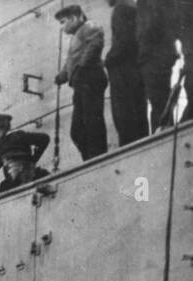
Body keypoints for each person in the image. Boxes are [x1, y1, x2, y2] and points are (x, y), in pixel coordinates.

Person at [55, 5, 109, 162]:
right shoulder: (77, 36)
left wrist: (81, 68)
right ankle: (90, 158)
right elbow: (72, 61)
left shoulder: (90, 27)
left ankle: (97, 157)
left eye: (63, 22)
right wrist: (62, 76)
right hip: (81, 82)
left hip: (90, 79)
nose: (62, 27)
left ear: (74, 17)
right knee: (77, 130)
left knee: (92, 121)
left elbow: (95, 46)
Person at [106, 0, 149, 145]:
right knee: (138, 114)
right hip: (136, 67)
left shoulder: (121, 9)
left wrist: (109, 59)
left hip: (122, 69)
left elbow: (123, 41)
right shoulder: (135, 8)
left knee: (124, 116)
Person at [138, 0, 179, 129]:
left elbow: (150, 26)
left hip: (153, 56)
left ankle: (161, 140)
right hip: (164, 54)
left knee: (158, 105)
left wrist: (140, 42)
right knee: (163, 104)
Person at [0, 114, 50, 189]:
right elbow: (45, 139)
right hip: (30, 175)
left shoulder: (2, 145)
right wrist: (34, 159)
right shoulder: (20, 135)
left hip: (14, 182)